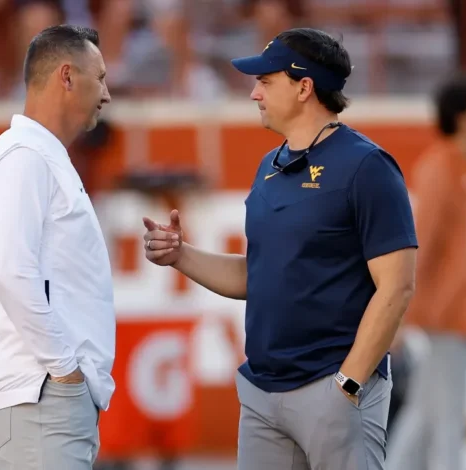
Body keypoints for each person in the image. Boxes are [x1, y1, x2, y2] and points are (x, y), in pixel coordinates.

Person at [143, 28, 417, 470]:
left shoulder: (367, 166)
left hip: (331, 386)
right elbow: (259, 274)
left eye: (266, 82)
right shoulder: (269, 166)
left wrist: (348, 383)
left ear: (304, 87)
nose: (255, 93)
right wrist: (180, 255)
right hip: (263, 392)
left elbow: (397, 286)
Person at [0, 24, 114, 470]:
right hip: (39, 391)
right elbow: (9, 270)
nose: (106, 95)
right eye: (100, 78)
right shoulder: (24, 156)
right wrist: (64, 370)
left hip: (42, 392)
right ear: (67, 76)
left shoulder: (38, 155)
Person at [385, 73, 466, 470]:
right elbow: (420, 242)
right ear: (463, 116)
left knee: (426, 414)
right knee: (447, 418)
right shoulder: (439, 168)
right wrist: (399, 312)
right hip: (443, 314)